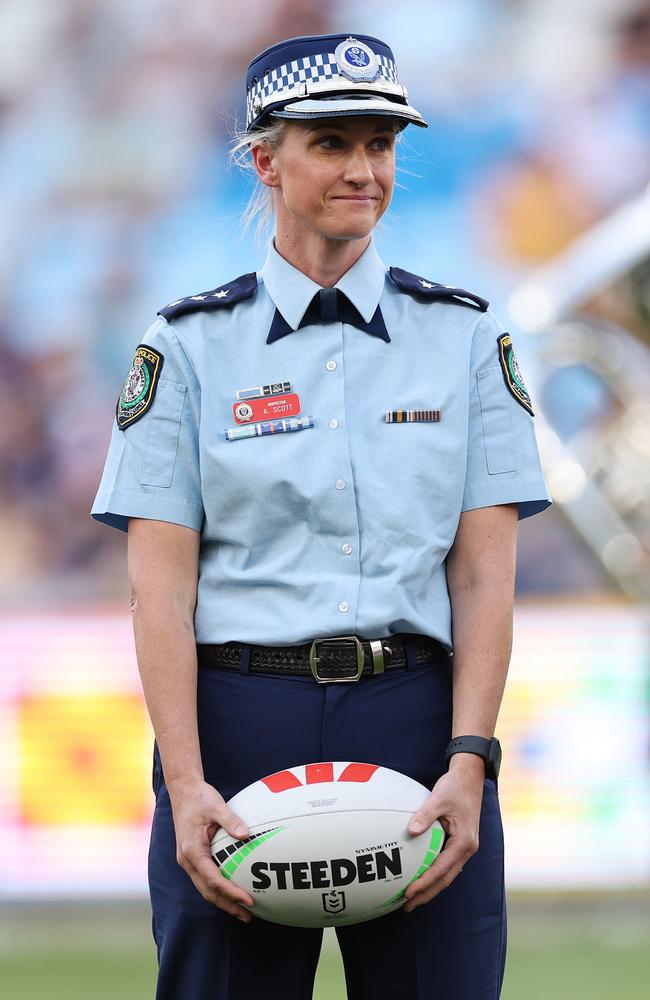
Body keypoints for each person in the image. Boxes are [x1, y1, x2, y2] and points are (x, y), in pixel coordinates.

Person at [91, 31, 551, 1000]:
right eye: (332, 143)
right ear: (264, 160)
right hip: (236, 724)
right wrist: (184, 783)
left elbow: (481, 576)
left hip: (419, 722)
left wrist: (471, 757)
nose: (363, 169)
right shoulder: (184, 346)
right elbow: (159, 589)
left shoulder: (467, 335)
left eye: (379, 144)